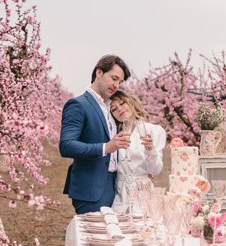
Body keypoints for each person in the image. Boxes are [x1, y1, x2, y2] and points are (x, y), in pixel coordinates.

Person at [59, 54, 132, 214]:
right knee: (93, 238)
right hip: (91, 190)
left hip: (117, 189)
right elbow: (66, 146)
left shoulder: (111, 108)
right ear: (99, 72)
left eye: (119, 82)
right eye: (114, 78)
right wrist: (106, 147)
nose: (116, 85)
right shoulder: (78, 105)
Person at [108, 89, 166, 214]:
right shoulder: (112, 135)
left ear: (131, 103)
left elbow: (155, 170)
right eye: (113, 109)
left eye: (122, 103)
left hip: (144, 194)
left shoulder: (154, 131)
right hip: (120, 196)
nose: (119, 109)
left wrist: (150, 150)